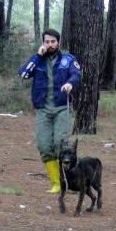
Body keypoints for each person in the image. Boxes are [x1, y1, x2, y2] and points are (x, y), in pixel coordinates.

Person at [18, 29, 81, 194]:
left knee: (60, 144)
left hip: (62, 108)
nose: (50, 44)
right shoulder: (37, 61)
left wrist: (70, 84)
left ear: (58, 42)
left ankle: (68, 181)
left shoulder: (68, 59)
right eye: (47, 41)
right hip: (43, 110)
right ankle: (56, 183)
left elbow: (76, 74)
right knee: (44, 146)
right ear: (43, 43)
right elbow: (24, 74)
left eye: (53, 41)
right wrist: (37, 56)